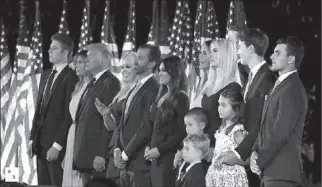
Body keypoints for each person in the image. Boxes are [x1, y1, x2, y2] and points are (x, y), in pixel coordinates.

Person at [217, 28, 276, 187]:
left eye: (240, 46)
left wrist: (238, 153)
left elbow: (260, 121)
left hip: (256, 157)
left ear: (251, 49)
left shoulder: (267, 77)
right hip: (247, 153)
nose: (238, 52)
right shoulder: (252, 76)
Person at [122, 55, 189, 187]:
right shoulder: (161, 95)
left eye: (164, 70)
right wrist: (149, 146)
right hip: (155, 159)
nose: (160, 73)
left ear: (174, 72)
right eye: (159, 70)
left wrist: (160, 149)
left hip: (168, 159)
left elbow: (181, 132)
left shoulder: (181, 98)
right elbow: (153, 129)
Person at [250, 36, 308, 187]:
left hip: (282, 174)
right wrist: (254, 152)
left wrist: (259, 160)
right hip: (271, 173)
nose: (271, 56)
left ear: (291, 59)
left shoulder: (292, 89)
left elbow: (280, 132)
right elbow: (265, 126)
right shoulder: (280, 85)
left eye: (277, 53)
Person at [28, 33, 78, 186]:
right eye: (50, 48)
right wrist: (32, 138)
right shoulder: (46, 75)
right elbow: (39, 109)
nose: (49, 51)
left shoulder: (72, 77)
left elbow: (68, 114)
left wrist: (57, 145)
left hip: (56, 147)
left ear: (65, 53)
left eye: (54, 48)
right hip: (40, 144)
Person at [113, 44, 160, 187]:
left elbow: (145, 127)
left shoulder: (154, 88)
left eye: (140, 58)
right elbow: (122, 123)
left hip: (140, 162)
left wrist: (125, 154)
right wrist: (117, 150)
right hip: (125, 162)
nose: (135, 62)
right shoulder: (134, 87)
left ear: (152, 63)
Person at [73, 43, 121, 185]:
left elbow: (108, 120)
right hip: (85, 155)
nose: (86, 59)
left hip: (95, 157)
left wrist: (101, 153)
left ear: (104, 60)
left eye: (90, 55)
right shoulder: (93, 82)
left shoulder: (110, 82)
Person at [94, 51, 138, 185]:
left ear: (138, 68)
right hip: (115, 149)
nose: (123, 70)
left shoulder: (141, 93)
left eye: (128, 67)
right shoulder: (121, 92)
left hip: (129, 151)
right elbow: (111, 126)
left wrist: (124, 152)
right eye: (122, 67)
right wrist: (105, 114)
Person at [200, 38, 241, 147]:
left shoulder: (233, 87)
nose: (211, 55)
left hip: (218, 148)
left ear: (226, 54)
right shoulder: (209, 85)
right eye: (211, 51)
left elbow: (232, 124)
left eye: (215, 51)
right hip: (202, 146)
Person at [205, 87, 248, 187]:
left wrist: (232, 159)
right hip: (218, 176)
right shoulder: (222, 128)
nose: (219, 108)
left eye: (224, 105)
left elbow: (247, 159)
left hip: (230, 178)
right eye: (219, 104)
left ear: (236, 109)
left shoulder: (237, 131)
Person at [61, 50, 92, 187]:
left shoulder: (93, 87)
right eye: (75, 62)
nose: (76, 66)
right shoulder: (77, 86)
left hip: (83, 135)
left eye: (80, 62)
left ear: (88, 63)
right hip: (72, 134)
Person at [173, 107, 212, 174]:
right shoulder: (187, 141)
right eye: (186, 125)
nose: (187, 129)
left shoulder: (205, 142)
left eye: (190, 125)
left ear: (202, 126)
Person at [190, 40, 212, 108]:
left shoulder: (216, 84)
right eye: (200, 53)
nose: (200, 57)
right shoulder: (201, 82)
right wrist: (202, 80)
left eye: (205, 53)